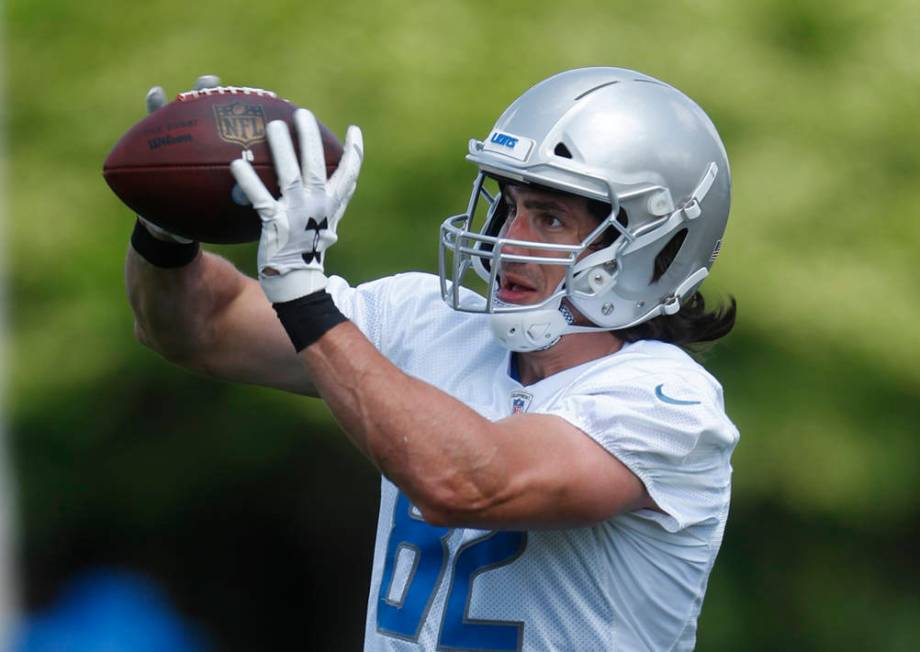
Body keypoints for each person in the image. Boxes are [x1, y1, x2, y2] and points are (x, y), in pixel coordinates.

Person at [125, 67, 739, 652]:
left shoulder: (668, 403)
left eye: (549, 218)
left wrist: (303, 291)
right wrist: (170, 228)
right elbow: (197, 327)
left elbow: (469, 483)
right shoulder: (427, 320)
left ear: (653, 248)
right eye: (509, 206)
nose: (507, 239)